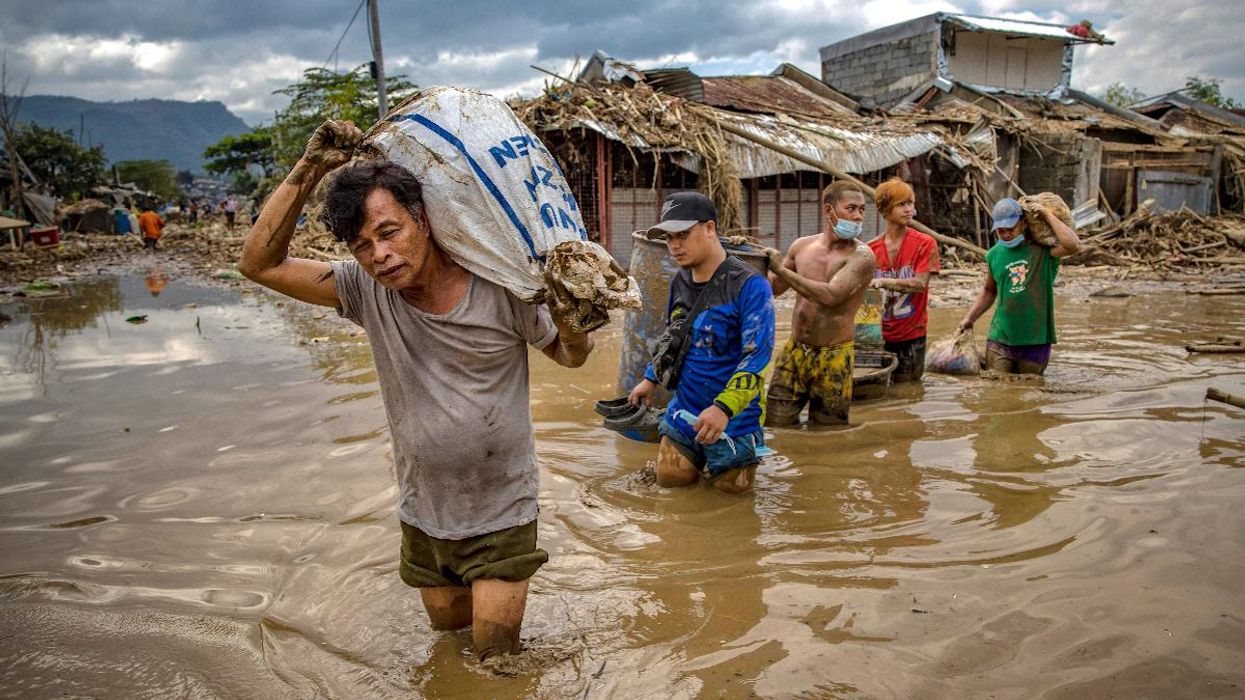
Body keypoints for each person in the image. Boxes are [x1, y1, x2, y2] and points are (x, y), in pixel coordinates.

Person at [238, 119, 595, 660]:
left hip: (502, 514)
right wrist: (309, 167)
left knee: (497, 662)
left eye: (389, 232)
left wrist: (572, 321)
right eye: (362, 245)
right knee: (448, 653)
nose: (379, 255)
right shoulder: (364, 291)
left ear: (423, 220)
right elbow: (258, 264)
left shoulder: (502, 287)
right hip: (423, 515)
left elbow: (572, 357)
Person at [628, 192, 775, 495]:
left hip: (733, 424)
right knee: (670, 491)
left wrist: (723, 408)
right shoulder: (679, 282)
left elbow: (756, 359)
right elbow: (673, 338)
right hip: (683, 415)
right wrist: (650, 378)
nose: (674, 245)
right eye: (669, 238)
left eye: (682, 234)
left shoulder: (750, 286)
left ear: (709, 228)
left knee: (730, 506)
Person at [763, 180, 876, 426]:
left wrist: (780, 269)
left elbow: (830, 296)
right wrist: (757, 262)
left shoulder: (863, 256)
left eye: (862, 210)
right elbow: (774, 288)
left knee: (828, 433)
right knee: (775, 424)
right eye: (851, 208)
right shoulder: (802, 246)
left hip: (834, 357)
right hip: (795, 351)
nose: (858, 216)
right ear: (828, 210)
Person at [956, 198, 1082, 375]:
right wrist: (969, 319)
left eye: (1010, 229)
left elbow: (1074, 245)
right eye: (1001, 231)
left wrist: (1046, 215)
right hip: (1001, 335)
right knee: (996, 388)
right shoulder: (994, 254)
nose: (1006, 234)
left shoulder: (1043, 251)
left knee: (1030, 389)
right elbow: (989, 291)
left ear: (1023, 224)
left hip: (1036, 336)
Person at [867, 178, 939, 383]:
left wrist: (884, 282)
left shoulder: (925, 243)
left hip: (912, 335)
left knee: (909, 392)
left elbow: (919, 284)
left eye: (910, 204)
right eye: (901, 204)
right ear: (885, 209)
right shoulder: (870, 250)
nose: (909, 209)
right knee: (876, 391)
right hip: (876, 335)